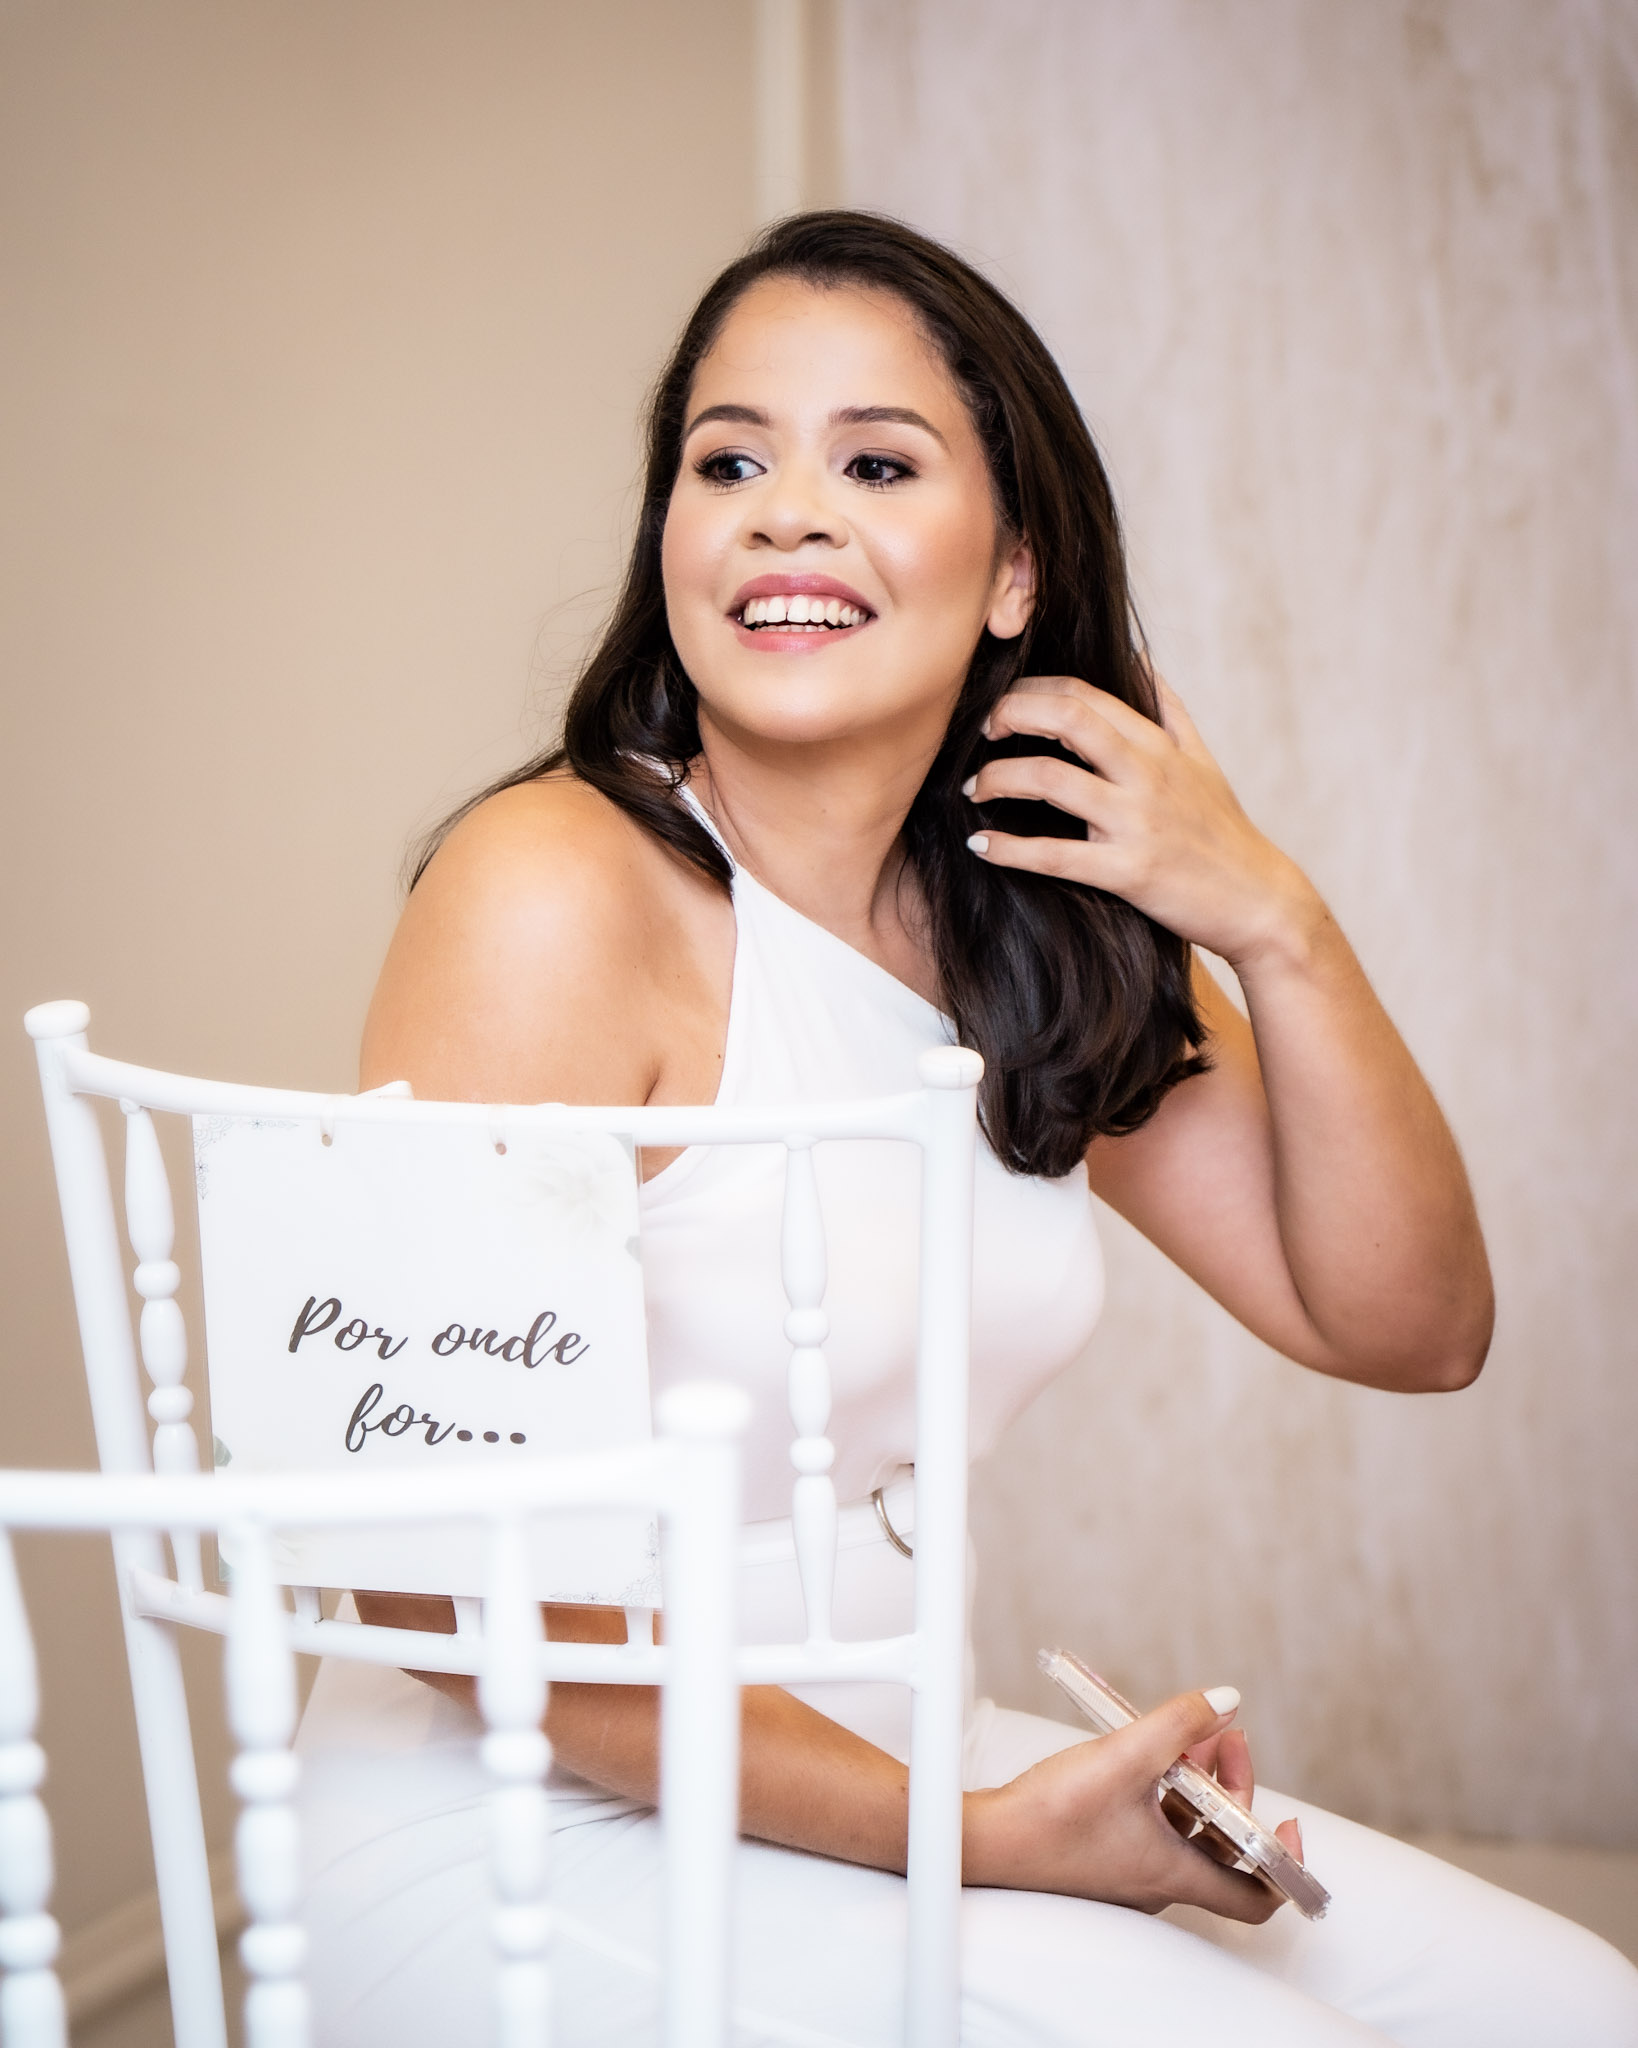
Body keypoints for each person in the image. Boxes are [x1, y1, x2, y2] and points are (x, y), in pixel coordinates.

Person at [294, 211, 1638, 2045]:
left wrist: (1271, 916)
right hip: (521, 1833)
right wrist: (989, 1838)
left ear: (1014, 571)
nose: (783, 513)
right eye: (727, 462)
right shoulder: (547, 888)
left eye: (873, 463)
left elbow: (1408, 1326)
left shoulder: (1021, 922)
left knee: (1574, 2002)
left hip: (885, 1762)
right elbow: (438, 1588)